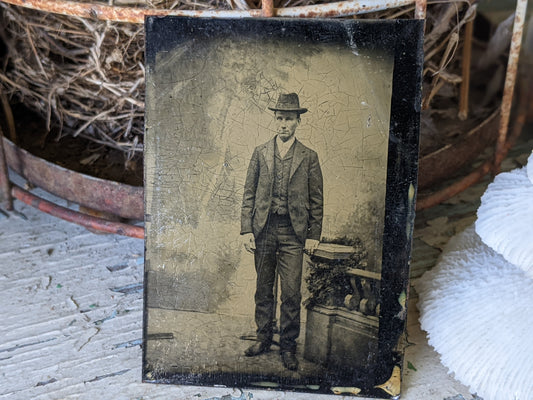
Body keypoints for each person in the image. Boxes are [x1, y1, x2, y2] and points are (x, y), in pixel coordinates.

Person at [240, 93, 323, 371]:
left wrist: (313, 234)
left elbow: (316, 200)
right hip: (263, 230)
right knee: (263, 289)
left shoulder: (309, 157)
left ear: (298, 121)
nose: (283, 124)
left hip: (293, 233)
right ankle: (263, 338)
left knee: (290, 293)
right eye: (279, 118)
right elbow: (248, 194)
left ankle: (288, 347)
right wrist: (246, 230)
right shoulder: (260, 152)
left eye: (289, 119)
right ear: (275, 119)